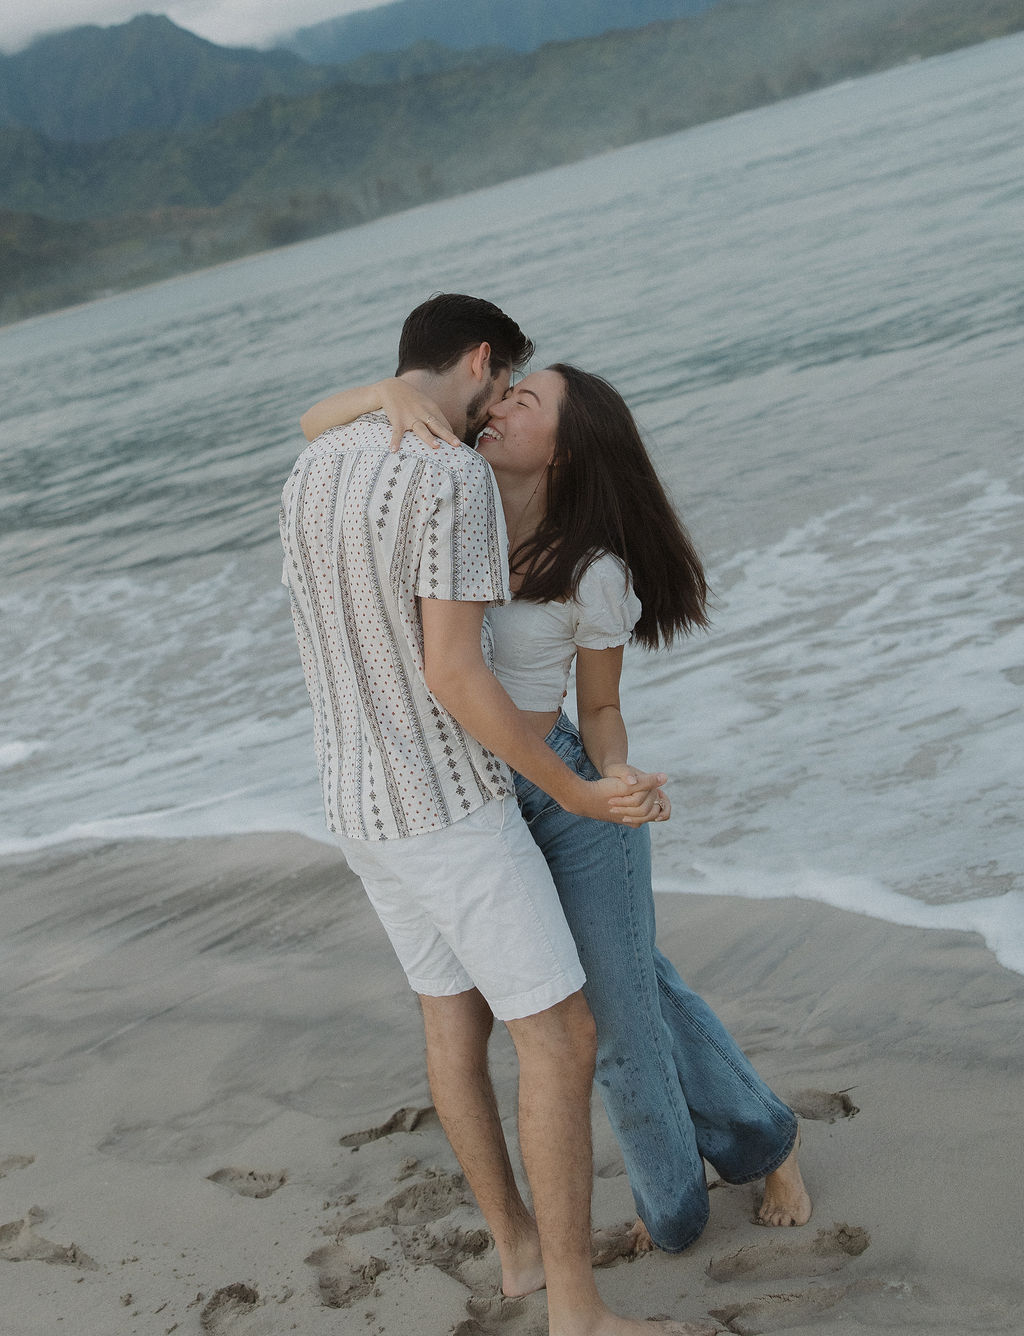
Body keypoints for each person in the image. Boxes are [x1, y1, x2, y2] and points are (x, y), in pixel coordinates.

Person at [300, 359, 812, 1255]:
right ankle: (766, 1135)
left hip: (569, 803)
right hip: (477, 797)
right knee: (636, 983)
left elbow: (601, 706)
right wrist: (385, 393)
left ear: (564, 452)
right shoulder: (459, 503)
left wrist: (614, 776)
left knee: (617, 1020)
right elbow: (315, 425)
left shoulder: (594, 571)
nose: (498, 406)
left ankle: (676, 1213)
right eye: (502, 392)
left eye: (523, 400)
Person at [281, 292, 710, 1336]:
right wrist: (573, 790)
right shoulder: (452, 475)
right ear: (480, 361)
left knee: (450, 1020)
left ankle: (518, 1251)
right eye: (507, 381)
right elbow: (455, 673)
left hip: (355, 799)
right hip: (447, 804)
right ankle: (578, 1311)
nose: (500, 406)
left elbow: (317, 427)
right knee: (560, 1037)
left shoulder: (319, 461)